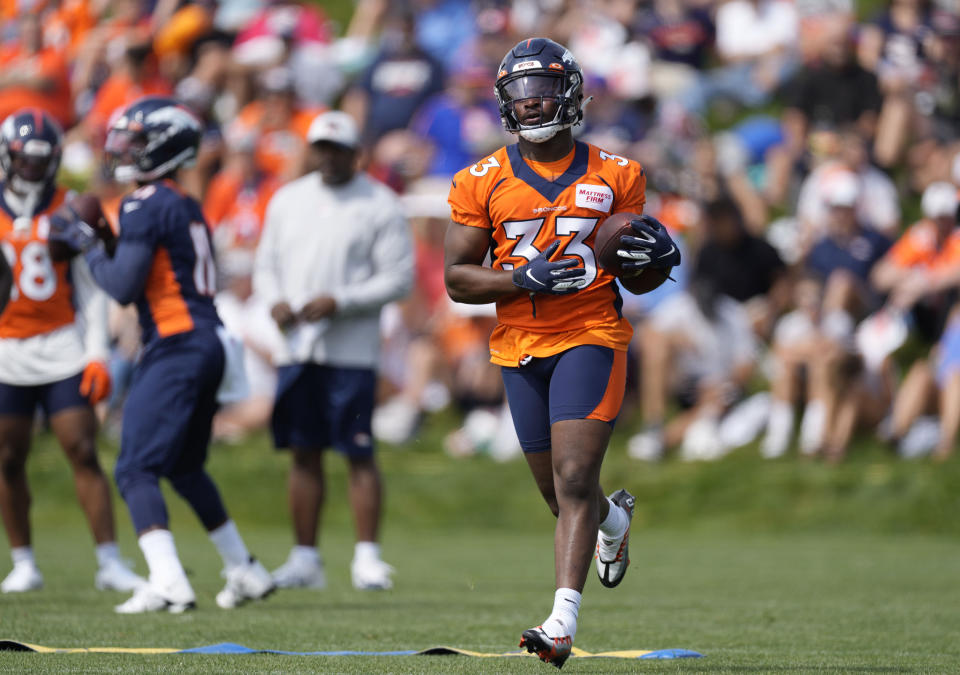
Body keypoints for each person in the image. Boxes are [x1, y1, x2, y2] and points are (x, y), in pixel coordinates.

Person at [444, 38, 680, 668]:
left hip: (591, 333)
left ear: (570, 96)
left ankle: (560, 621)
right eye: (520, 95)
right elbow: (457, 279)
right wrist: (522, 279)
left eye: (543, 91)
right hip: (519, 342)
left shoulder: (617, 174)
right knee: (560, 494)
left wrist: (648, 258)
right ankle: (614, 524)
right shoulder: (479, 180)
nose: (531, 105)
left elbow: (632, 263)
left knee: (575, 477)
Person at [51, 96, 274, 613]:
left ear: (163, 148)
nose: (123, 150)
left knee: (134, 468)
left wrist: (88, 242)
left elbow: (124, 287)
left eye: (135, 140)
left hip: (176, 342)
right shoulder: (181, 201)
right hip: (208, 340)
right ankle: (244, 568)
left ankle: (169, 580)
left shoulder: (143, 202)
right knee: (184, 467)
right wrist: (104, 239)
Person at [253, 110, 414, 592]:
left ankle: (367, 557)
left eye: (337, 149)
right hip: (297, 347)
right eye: (320, 147)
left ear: (355, 154)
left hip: (351, 351)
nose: (327, 157)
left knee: (358, 452)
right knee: (303, 451)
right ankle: (305, 558)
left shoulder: (380, 204)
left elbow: (397, 279)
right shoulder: (288, 199)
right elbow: (266, 265)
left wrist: (340, 302)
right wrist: (274, 301)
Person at [0, 108, 144, 594]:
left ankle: (109, 560)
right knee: (6, 458)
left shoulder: (71, 208)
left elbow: (92, 288)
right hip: (6, 349)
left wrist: (97, 352)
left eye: (42, 160)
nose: (33, 169)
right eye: (25, 159)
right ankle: (23, 561)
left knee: (82, 450)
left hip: (62, 344)